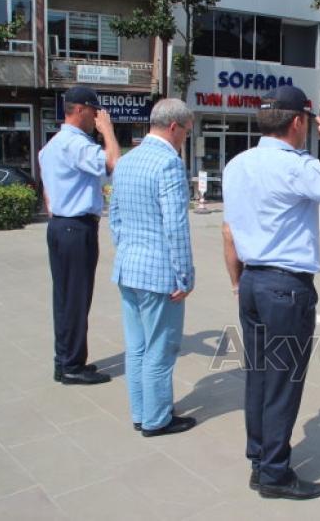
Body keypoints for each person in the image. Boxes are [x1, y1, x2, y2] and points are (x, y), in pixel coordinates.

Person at [222, 85, 320, 500]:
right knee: (284, 381)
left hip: (251, 281)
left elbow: (228, 231)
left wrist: (237, 281)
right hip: (285, 287)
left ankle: (259, 459)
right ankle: (274, 474)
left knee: (259, 377)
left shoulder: (237, 164)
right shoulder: (297, 166)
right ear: (299, 122)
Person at [109, 98, 196, 437]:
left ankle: (140, 412)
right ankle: (157, 419)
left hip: (128, 268)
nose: (185, 139)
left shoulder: (126, 162)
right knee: (160, 348)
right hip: (160, 275)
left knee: (137, 347)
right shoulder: (168, 164)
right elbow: (176, 227)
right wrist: (185, 276)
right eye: (186, 132)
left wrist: (128, 251)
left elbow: (114, 217)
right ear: (173, 127)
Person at [40, 86, 119, 385]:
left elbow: (48, 191)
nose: (98, 117)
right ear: (82, 109)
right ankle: (73, 365)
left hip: (60, 225)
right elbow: (113, 163)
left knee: (64, 297)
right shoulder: (76, 144)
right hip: (76, 228)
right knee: (76, 298)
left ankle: (64, 360)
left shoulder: (52, 145)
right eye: (96, 111)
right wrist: (108, 132)